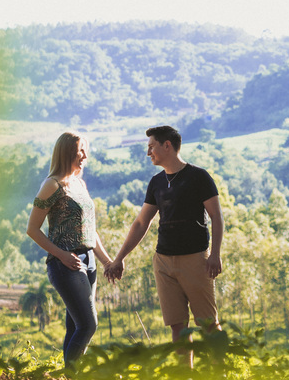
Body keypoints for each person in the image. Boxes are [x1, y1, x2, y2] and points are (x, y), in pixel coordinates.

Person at [106, 125, 223, 347]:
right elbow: (141, 223)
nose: (148, 153)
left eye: (151, 147)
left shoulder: (199, 177)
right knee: (178, 327)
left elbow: (216, 216)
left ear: (166, 145)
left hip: (195, 260)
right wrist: (119, 258)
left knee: (208, 324)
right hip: (163, 262)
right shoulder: (156, 182)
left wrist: (215, 254)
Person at [26, 131, 113, 366]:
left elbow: (90, 229)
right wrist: (62, 255)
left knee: (75, 327)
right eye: (80, 151)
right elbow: (32, 229)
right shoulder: (51, 185)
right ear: (67, 153)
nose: (85, 155)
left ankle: (71, 372)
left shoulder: (79, 183)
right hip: (66, 264)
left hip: (89, 260)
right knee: (88, 325)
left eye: (85, 150)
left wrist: (106, 262)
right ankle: (73, 375)